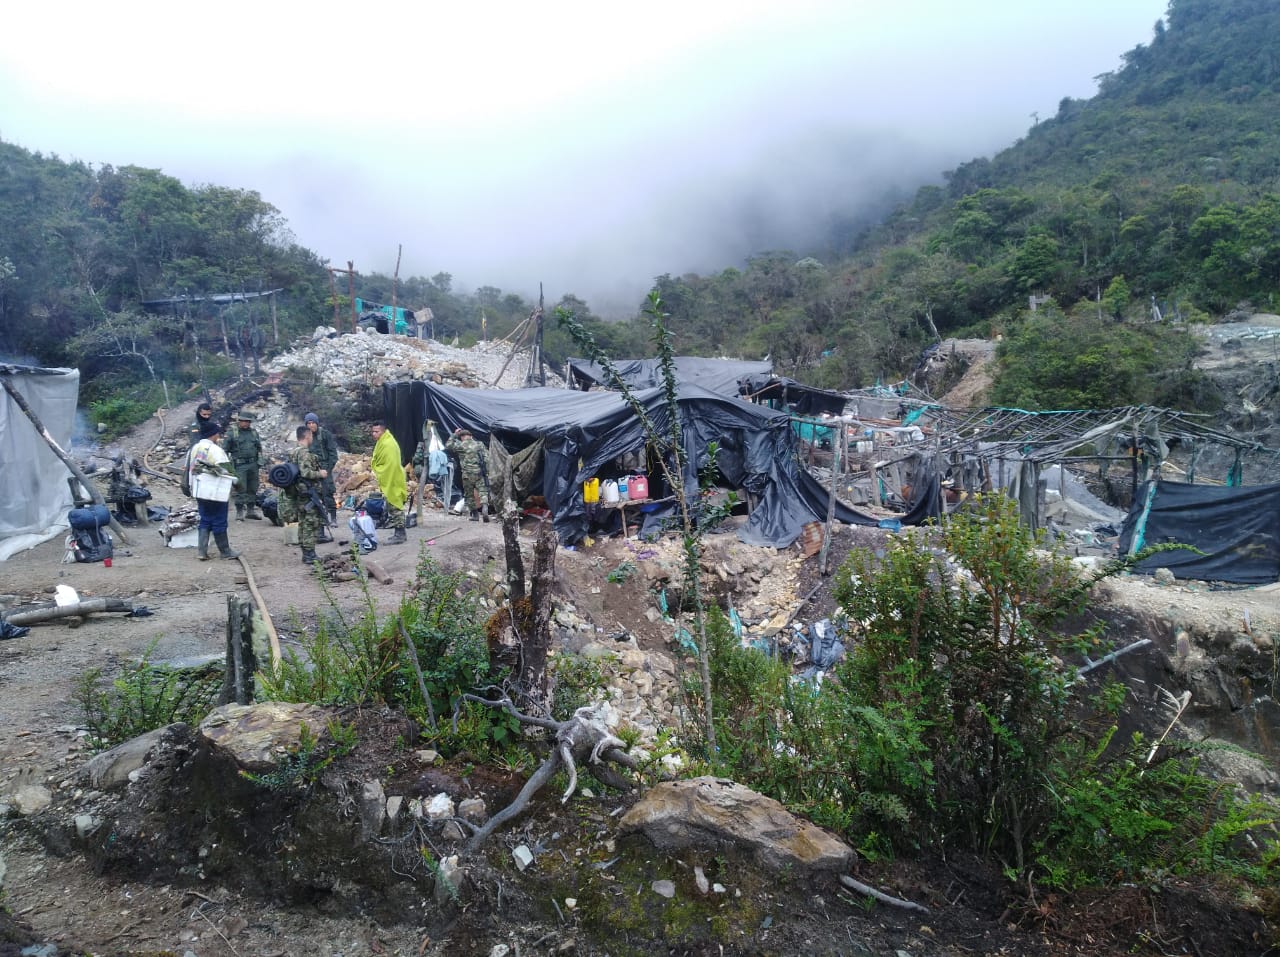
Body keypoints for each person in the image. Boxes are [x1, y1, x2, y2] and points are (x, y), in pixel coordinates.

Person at [187, 420, 240, 560]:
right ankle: (225, 551)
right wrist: (238, 484)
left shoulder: (195, 448)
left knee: (205, 519)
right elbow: (227, 471)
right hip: (215, 491)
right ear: (214, 434)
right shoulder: (216, 450)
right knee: (219, 520)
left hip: (199, 489)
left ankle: (202, 552)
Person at [286, 425, 329, 565]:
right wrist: (320, 473)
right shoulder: (304, 453)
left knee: (303, 523)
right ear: (307, 436)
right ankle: (310, 554)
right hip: (308, 493)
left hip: (299, 493)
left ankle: (306, 553)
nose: (312, 438)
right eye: (311, 435)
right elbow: (306, 474)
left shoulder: (293, 452)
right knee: (311, 523)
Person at [370, 421, 408, 545]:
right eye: (373, 432)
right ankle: (399, 533)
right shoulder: (382, 442)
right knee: (392, 505)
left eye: (377, 432)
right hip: (390, 477)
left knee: (395, 504)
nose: (374, 434)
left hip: (393, 478)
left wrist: (383, 473)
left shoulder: (388, 444)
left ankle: (400, 534)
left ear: (383, 431)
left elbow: (391, 465)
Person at [224, 412, 263, 521]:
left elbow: (259, 448)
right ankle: (239, 512)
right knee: (240, 487)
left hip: (253, 464)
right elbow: (224, 450)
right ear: (239, 421)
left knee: (253, 487)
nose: (246, 423)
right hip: (239, 465)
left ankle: (250, 510)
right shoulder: (232, 433)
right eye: (244, 421)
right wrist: (227, 467)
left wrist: (260, 461)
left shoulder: (254, 433)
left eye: (248, 421)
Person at [447, 427, 489, 522]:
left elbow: (448, 445)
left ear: (461, 437)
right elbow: (487, 457)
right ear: (471, 436)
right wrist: (487, 472)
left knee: (469, 495)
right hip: (480, 473)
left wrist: (454, 434)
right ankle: (485, 509)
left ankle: (475, 515)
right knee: (483, 492)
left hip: (467, 475)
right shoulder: (480, 444)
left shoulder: (461, 446)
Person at [304, 412, 339, 524]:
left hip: (324, 467)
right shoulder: (306, 436)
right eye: (308, 423)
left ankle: (333, 518)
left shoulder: (325, 434)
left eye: (313, 422)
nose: (311, 425)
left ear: (317, 423)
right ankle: (320, 518)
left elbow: (333, 453)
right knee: (313, 494)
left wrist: (328, 469)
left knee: (328, 492)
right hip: (311, 469)